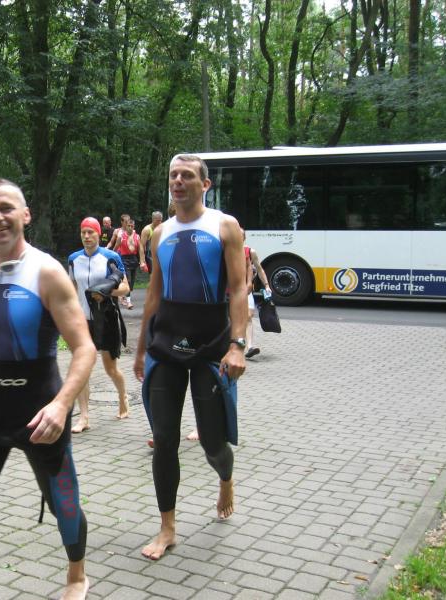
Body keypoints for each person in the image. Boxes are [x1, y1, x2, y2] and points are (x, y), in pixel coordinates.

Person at [0, 178, 96, 600]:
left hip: (40, 413)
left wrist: (62, 405)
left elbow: (84, 348)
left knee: (64, 503)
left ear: (25, 215)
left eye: (6, 208)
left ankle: (77, 576)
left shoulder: (47, 272)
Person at [134, 153, 248, 561]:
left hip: (211, 344)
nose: (178, 181)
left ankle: (226, 477)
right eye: (173, 175)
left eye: (186, 175)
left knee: (213, 443)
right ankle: (167, 527)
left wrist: (237, 345)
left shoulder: (224, 226)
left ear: (205, 184)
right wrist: (141, 346)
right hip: (166, 344)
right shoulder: (160, 232)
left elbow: (239, 288)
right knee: (164, 440)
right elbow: (153, 293)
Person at [67, 217, 130, 433]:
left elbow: (125, 288)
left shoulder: (110, 257)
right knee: (82, 369)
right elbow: (72, 289)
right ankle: (84, 417)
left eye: (90, 232)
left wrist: (106, 291)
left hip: (106, 319)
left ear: (98, 234)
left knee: (110, 369)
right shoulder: (73, 259)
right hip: (82, 321)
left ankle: (122, 397)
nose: (86, 236)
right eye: (83, 232)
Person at [242, 228, 271, 358]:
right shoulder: (227, 250)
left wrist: (267, 285)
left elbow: (259, 269)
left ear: (244, 238)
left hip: (247, 289)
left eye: (241, 236)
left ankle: (250, 347)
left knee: (249, 316)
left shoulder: (250, 252)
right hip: (231, 290)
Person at [113, 217, 146, 309]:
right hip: (124, 260)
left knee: (131, 285)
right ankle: (129, 302)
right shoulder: (121, 236)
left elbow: (140, 249)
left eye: (132, 226)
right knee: (128, 280)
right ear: (126, 226)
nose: (130, 227)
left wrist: (142, 261)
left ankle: (122, 293)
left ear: (134, 226)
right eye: (128, 226)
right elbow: (115, 248)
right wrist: (111, 258)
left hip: (133, 260)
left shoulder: (137, 236)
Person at [141, 211, 163, 275]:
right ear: (153, 219)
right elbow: (141, 246)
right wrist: (142, 261)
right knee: (154, 275)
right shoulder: (147, 230)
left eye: (161, 220)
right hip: (150, 256)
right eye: (158, 220)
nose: (160, 222)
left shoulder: (162, 228)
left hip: (160, 255)